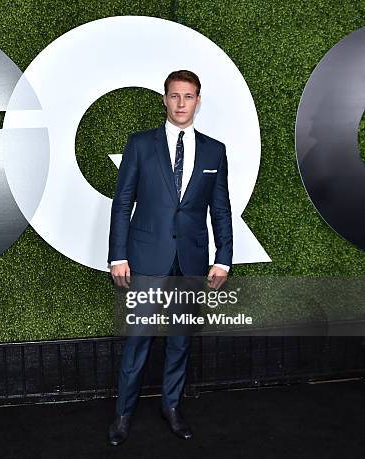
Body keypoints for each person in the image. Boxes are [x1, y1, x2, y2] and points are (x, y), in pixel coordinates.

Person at [107, 70, 233, 445]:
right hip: (145, 258)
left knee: (180, 340)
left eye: (189, 96)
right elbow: (123, 203)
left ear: (198, 100)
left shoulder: (214, 150)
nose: (181, 104)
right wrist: (118, 255)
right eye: (175, 96)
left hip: (191, 260)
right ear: (164, 99)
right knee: (138, 339)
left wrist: (223, 258)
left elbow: (221, 209)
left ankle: (172, 407)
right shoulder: (140, 144)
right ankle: (123, 415)